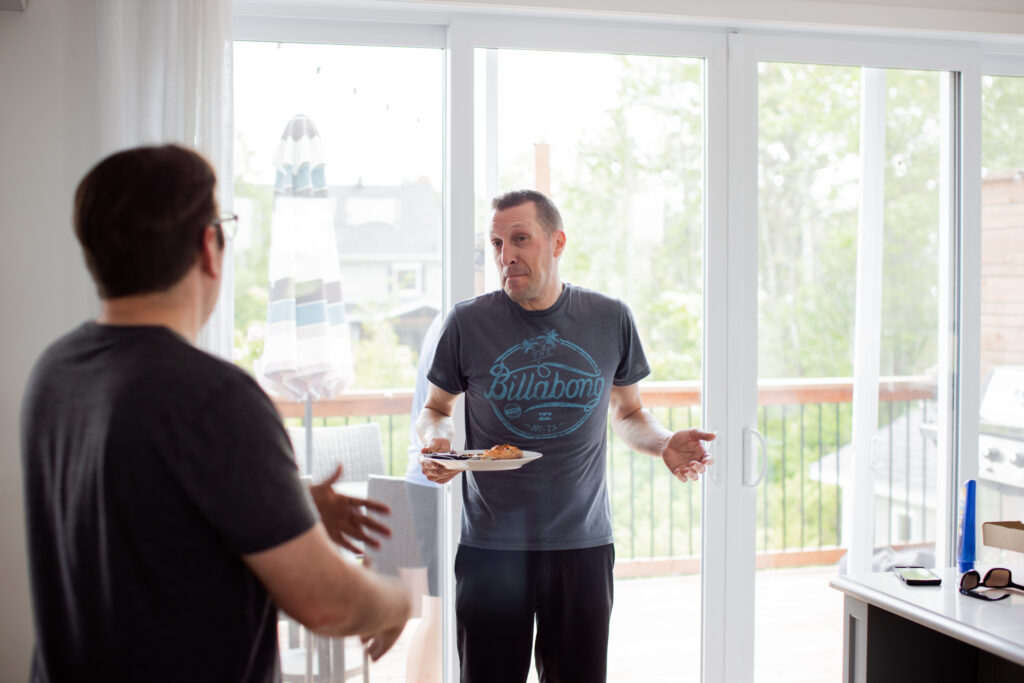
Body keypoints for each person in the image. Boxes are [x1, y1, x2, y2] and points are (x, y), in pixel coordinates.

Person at [20, 144, 411, 683]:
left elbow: (143, 522)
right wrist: (397, 599)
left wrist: (285, 503)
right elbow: (327, 603)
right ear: (209, 245)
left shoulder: (55, 372)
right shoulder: (214, 397)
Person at [417, 189, 715, 683]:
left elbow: (629, 412)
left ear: (556, 242)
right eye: (495, 244)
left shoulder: (609, 318)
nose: (505, 255)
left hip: (581, 545)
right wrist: (437, 442)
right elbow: (435, 408)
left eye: (519, 239)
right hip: (492, 548)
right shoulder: (468, 322)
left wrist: (663, 442)